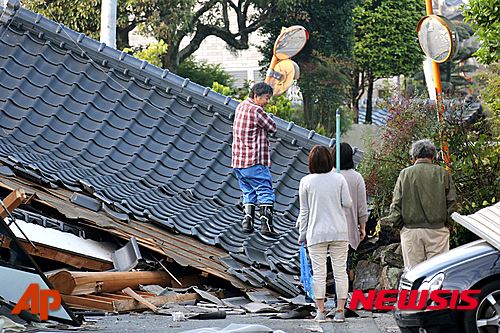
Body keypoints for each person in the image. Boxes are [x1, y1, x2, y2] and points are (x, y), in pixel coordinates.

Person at [297, 145, 352, 323]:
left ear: (311, 162)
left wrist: (301, 234)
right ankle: (340, 311)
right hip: (339, 231)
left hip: (315, 232)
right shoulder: (339, 179)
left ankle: (320, 311)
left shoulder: (306, 182)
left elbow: (304, 212)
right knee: (340, 272)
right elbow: (348, 203)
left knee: (319, 273)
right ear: (329, 160)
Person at [383, 139, 456, 269]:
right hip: (437, 230)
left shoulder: (405, 174)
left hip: (411, 230)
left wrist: (398, 224)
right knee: (437, 272)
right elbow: (451, 202)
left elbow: (396, 202)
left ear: (414, 157)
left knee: (414, 273)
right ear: (433, 156)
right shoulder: (442, 173)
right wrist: (449, 224)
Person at [232, 82, 277, 236]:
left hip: (238, 162)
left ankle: (247, 223)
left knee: (248, 191)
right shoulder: (256, 110)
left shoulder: (240, 106)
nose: (267, 101)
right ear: (256, 96)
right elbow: (272, 127)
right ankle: (266, 226)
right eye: (266, 98)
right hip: (253, 160)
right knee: (265, 190)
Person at [331, 143, 368, 250]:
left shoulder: (328, 176)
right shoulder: (357, 177)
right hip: (348, 231)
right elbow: (362, 206)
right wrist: (362, 227)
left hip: (329, 231)